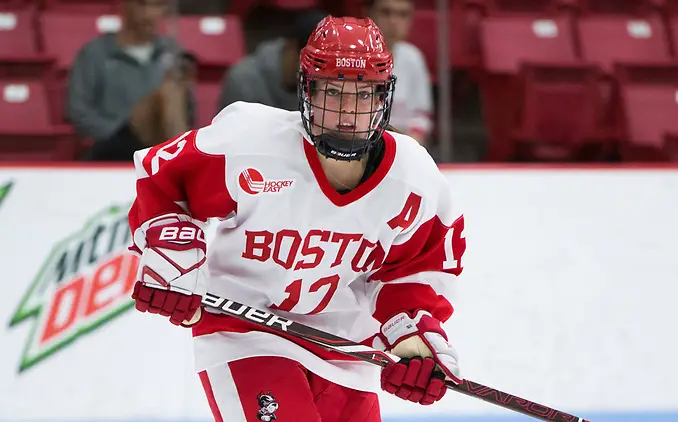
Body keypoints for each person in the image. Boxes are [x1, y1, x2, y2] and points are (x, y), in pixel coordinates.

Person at [128, 16, 466, 422]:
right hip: (245, 332)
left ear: (384, 99)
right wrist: (172, 247)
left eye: (362, 95)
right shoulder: (251, 143)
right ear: (307, 91)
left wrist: (413, 336)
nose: (346, 111)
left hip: (345, 347)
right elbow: (164, 178)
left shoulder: (413, 178)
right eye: (333, 92)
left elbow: (413, 270)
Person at [67, 0, 195, 161]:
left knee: (170, 93)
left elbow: (188, 111)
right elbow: (79, 113)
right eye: (141, 4)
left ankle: (180, 163)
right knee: (167, 93)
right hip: (112, 144)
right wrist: (118, 131)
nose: (148, 14)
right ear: (125, 5)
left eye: (157, 5)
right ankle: (185, 165)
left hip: (160, 143)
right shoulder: (94, 53)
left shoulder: (173, 51)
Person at [217, 10, 326, 111]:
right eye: (314, 61)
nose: (317, 71)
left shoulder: (319, 84)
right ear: (291, 48)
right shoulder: (243, 80)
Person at [367, 0, 433, 146]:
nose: (393, 22)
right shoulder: (353, 59)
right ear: (369, 15)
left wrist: (409, 150)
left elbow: (421, 118)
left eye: (402, 15)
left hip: (403, 146)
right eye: (386, 13)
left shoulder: (413, 57)